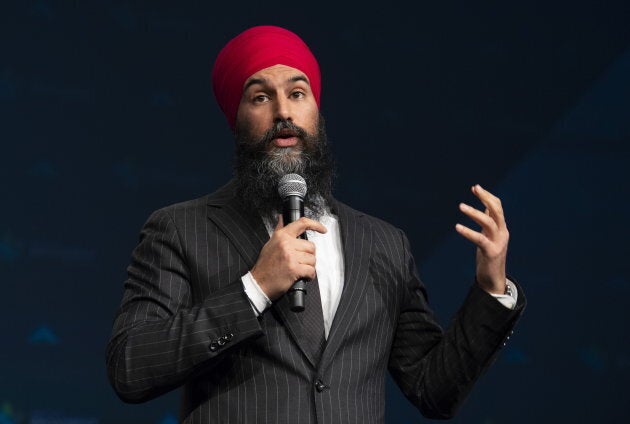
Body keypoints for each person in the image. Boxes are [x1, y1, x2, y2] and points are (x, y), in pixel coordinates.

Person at [106, 25, 526, 423]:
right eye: (260, 98)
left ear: (317, 109)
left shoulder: (383, 243)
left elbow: (434, 390)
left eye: (297, 93)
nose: (283, 111)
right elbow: (130, 367)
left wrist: (491, 288)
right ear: (235, 118)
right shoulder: (181, 228)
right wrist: (254, 288)